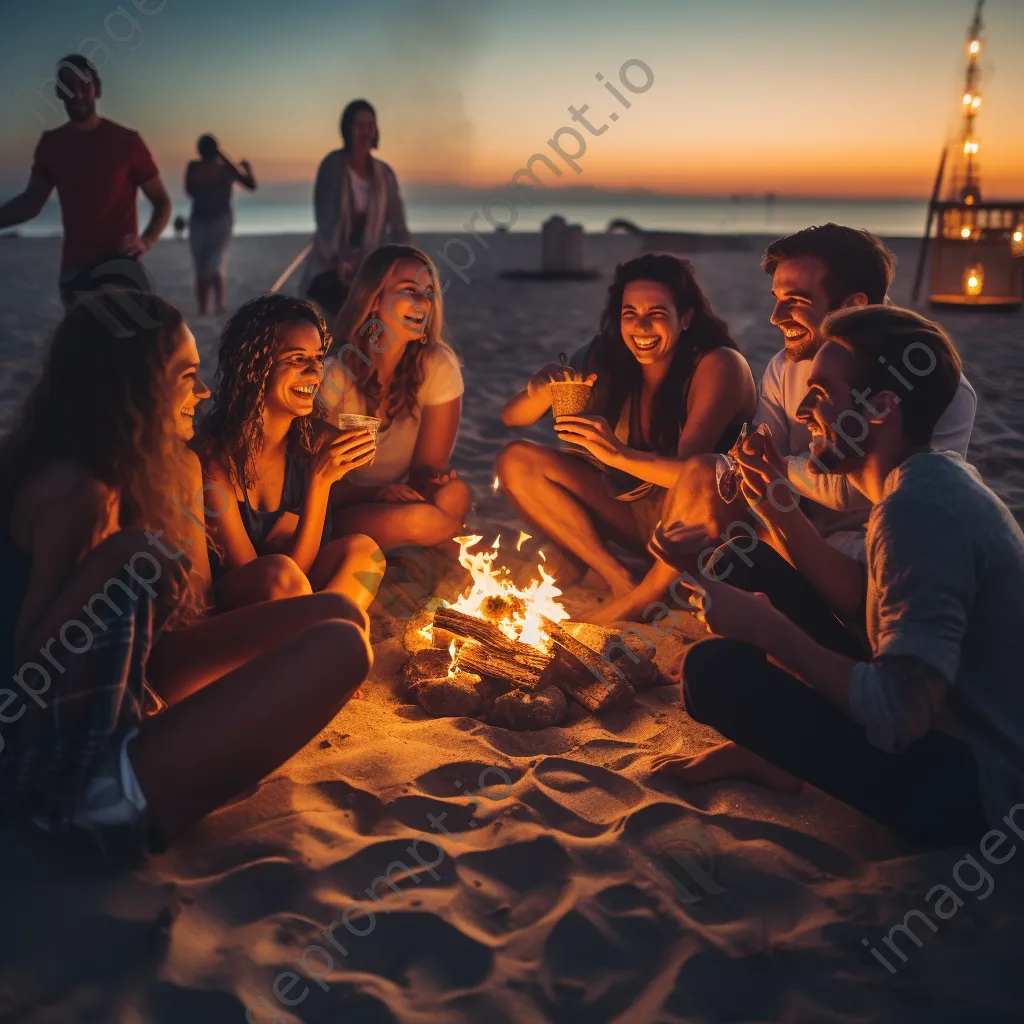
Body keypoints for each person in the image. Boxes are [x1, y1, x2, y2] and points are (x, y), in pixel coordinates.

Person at [0, 291, 372, 854]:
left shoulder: (172, 467)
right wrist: (118, 562)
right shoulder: (73, 489)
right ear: (133, 385)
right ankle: (117, 808)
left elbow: (187, 612)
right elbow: (27, 673)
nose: (202, 392)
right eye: (187, 375)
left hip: (139, 685)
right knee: (340, 649)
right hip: (75, 768)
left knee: (343, 620)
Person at [655, 305, 1024, 850]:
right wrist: (774, 500)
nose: (803, 410)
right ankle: (773, 755)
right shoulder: (924, 480)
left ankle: (770, 754)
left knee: (714, 672)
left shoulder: (918, 512)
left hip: (983, 795)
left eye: (821, 392)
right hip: (952, 725)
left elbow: (901, 715)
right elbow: (860, 607)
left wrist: (771, 632)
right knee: (741, 560)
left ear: (880, 407)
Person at [602, 224, 979, 623]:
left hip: (873, 553)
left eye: (795, 301)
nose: (775, 316)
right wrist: (747, 475)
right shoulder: (785, 367)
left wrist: (775, 470)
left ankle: (649, 605)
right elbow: (755, 462)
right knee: (705, 471)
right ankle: (656, 599)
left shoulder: (934, 384)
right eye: (777, 299)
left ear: (854, 303)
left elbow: (847, 492)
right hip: (792, 526)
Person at [497, 253, 756, 621]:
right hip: (634, 516)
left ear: (685, 318)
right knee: (517, 460)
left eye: (656, 314)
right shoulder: (606, 357)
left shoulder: (718, 365)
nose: (641, 327)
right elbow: (512, 417)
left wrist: (616, 453)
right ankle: (618, 578)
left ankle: (643, 601)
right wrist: (540, 390)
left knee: (706, 472)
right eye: (629, 314)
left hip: (703, 523)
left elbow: (692, 475)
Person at [196, 294, 385, 612]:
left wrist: (379, 488)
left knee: (366, 553)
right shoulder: (216, 461)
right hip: (237, 614)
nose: (315, 374)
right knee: (279, 574)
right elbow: (270, 584)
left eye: (318, 358)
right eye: (297, 360)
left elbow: (302, 576)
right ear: (254, 369)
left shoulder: (316, 441)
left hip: (298, 598)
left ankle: (327, 640)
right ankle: (324, 641)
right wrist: (320, 484)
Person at [320, 244, 471, 551]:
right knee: (419, 520)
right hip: (334, 507)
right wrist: (378, 494)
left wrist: (432, 483)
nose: (422, 302)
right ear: (374, 300)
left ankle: (438, 546)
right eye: (408, 290)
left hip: (395, 498)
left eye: (428, 292)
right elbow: (311, 480)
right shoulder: (335, 372)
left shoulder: (436, 364)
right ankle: (459, 546)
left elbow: (427, 467)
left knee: (455, 494)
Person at [0, 54, 171, 306]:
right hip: (75, 271)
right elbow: (31, 203)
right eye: (68, 86)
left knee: (124, 343)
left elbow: (161, 201)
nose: (77, 94)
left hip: (121, 268)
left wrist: (146, 240)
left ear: (97, 89)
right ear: (58, 92)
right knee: (82, 344)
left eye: (84, 85)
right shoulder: (52, 144)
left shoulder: (127, 141)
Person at [300, 100, 411, 317]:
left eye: (370, 125)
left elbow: (398, 225)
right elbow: (325, 223)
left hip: (369, 266)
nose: (365, 132)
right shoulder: (332, 166)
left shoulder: (384, 174)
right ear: (347, 129)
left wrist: (405, 260)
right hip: (330, 266)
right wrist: (341, 264)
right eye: (359, 125)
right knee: (351, 314)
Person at [185, 134, 257, 314]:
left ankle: (218, 304)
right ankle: (206, 306)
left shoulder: (223, 169)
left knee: (214, 264)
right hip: (200, 221)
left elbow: (249, 184)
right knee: (202, 266)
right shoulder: (198, 168)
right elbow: (191, 190)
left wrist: (230, 164)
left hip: (218, 221)